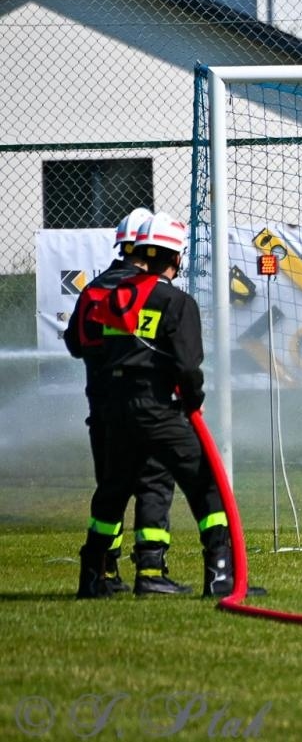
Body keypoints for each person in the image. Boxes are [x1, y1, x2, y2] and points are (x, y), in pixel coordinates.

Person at [68, 213, 238, 598]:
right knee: (207, 486)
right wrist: (192, 403)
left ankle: (93, 576)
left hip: (115, 410)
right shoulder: (177, 301)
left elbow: (98, 349)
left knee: (112, 492)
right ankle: (220, 576)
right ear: (177, 257)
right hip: (158, 408)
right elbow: (187, 366)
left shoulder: (116, 297)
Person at [71, 208, 183, 595]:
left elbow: (75, 344)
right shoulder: (144, 293)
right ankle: (151, 568)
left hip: (101, 408)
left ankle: (105, 570)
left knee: (110, 489)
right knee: (154, 482)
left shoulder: (92, 291)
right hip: (146, 407)